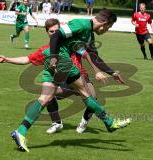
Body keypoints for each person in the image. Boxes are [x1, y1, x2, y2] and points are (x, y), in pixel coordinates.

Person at [9, 9, 131, 152]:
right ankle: (109, 123)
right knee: (84, 92)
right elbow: (56, 37)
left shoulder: (89, 36)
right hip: (62, 59)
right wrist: (55, 56)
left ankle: (21, 132)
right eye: (109, 27)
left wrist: (111, 72)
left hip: (56, 60)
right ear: (104, 23)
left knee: (46, 98)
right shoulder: (81, 24)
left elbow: (94, 57)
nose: (107, 30)